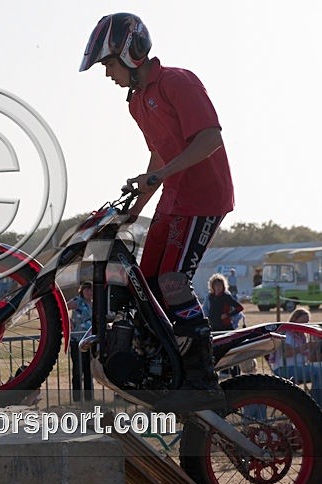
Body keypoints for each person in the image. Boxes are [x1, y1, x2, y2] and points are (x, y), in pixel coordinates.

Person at [79, 13, 234, 412]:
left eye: (108, 64)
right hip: (174, 198)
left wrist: (162, 174)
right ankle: (163, 364)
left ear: (130, 53)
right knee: (144, 283)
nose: (107, 74)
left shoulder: (178, 82)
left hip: (203, 197)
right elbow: (160, 152)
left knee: (170, 280)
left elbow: (210, 138)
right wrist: (137, 208)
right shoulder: (137, 103)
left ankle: (203, 377)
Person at [267, 307, 322, 409]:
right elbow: (286, 353)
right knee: (319, 372)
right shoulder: (286, 334)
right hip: (284, 369)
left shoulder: (302, 336)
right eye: (302, 323)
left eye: (307, 323)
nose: (304, 326)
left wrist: (315, 345)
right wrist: (306, 346)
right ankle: (316, 407)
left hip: (300, 368)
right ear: (294, 320)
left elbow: (308, 358)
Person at [67, 282, 94, 402]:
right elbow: (62, 307)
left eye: (91, 290)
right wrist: (68, 322)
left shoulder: (94, 304)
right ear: (82, 291)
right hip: (77, 341)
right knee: (77, 371)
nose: (89, 292)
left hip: (89, 342)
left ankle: (89, 398)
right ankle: (77, 398)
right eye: (86, 289)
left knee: (89, 370)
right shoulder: (77, 301)